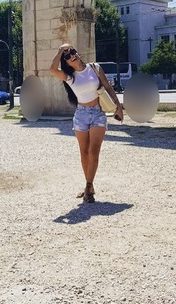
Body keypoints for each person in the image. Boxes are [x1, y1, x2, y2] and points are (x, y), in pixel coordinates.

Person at [50, 43, 123, 203]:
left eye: (73, 52)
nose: (72, 55)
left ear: (78, 53)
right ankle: (89, 185)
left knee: (93, 151)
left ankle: (88, 188)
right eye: (67, 56)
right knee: (84, 153)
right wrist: (60, 50)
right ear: (66, 62)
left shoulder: (94, 68)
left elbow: (107, 87)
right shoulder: (70, 77)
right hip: (81, 115)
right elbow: (53, 69)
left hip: (98, 113)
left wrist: (118, 107)